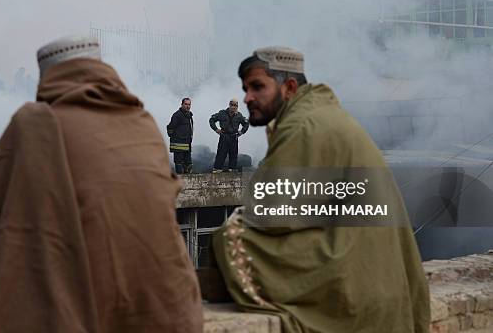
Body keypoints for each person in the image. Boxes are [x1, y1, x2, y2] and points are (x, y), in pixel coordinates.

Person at [0, 36, 203, 333]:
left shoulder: (36, 124)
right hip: (171, 311)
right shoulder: (142, 124)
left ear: (48, 78)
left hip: (86, 308)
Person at [210, 47, 430, 332]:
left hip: (356, 289)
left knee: (232, 236)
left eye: (257, 87)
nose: (247, 98)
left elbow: (268, 214)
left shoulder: (304, 126)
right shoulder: (322, 115)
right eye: (245, 89)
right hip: (386, 285)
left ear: (289, 87)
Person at [209, 99, 249, 173]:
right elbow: (212, 120)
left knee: (233, 154)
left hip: (234, 136)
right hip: (224, 136)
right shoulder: (222, 113)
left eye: (235, 106)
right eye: (232, 105)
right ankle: (217, 169)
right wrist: (216, 129)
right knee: (221, 153)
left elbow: (246, 123)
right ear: (229, 105)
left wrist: (241, 132)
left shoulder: (239, 115)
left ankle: (232, 169)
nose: (234, 107)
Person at [167, 98, 194, 174]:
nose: (188, 106)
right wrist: (175, 137)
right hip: (178, 144)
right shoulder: (177, 115)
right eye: (186, 104)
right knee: (179, 163)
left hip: (187, 143)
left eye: (189, 104)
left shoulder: (189, 115)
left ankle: (188, 182)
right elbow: (170, 127)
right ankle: (180, 181)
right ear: (181, 104)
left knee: (188, 164)